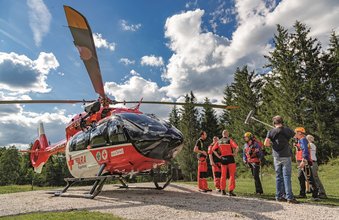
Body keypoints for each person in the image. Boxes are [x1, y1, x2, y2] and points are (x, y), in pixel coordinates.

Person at [264, 115, 298, 203]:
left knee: (278, 177)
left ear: (274, 123)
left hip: (276, 156)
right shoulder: (288, 130)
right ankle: (289, 197)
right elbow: (296, 137)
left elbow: (266, 144)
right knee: (286, 176)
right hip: (286, 155)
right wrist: (294, 142)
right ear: (282, 122)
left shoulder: (271, 131)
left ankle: (279, 196)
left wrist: (273, 143)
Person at [294, 127, 319, 200]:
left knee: (309, 177)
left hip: (304, 161)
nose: (295, 134)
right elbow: (300, 149)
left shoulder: (303, 140)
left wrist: (303, 161)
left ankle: (315, 195)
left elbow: (305, 151)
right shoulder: (300, 140)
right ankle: (302, 194)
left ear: (300, 133)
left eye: (296, 132)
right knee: (300, 177)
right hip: (300, 161)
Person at [212, 130, 238, 196]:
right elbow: (237, 147)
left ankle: (223, 190)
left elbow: (213, 149)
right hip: (230, 158)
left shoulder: (219, 141)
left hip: (223, 159)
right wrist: (235, 153)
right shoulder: (229, 140)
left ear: (222, 134)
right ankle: (230, 191)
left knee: (223, 175)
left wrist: (219, 156)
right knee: (232, 175)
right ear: (227, 134)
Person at [306, 135, 327, 199]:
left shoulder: (311, 145)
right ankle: (317, 192)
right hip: (312, 163)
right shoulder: (311, 144)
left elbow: (306, 151)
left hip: (313, 163)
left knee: (315, 179)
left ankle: (322, 193)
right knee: (313, 179)